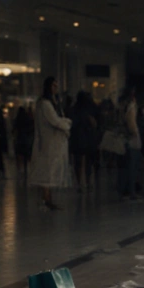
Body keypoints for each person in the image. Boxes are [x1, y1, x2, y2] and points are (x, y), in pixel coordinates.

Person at [29, 77, 72, 210]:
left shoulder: (53, 102)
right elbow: (54, 120)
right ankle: (46, 199)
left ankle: (48, 198)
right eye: (53, 86)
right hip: (48, 142)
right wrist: (67, 124)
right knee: (47, 170)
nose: (55, 88)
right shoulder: (45, 104)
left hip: (54, 142)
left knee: (51, 170)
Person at [70, 91, 100, 191]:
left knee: (78, 162)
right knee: (89, 161)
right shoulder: (91, 107)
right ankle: (87, 181)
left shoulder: (74, 109)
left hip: (77, 138)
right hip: (89, 137)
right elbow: (98, 120)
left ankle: (79, 183)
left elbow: (72, 123)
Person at [118, 86, 143, 201]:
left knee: (124, 167)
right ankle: (131, 192)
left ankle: (124, 191)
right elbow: (132, 124)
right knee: (133, 167)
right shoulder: (131, 106)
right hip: (132, 140)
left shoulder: (121, 105)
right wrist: (135, 132)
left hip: (122, 138)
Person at [14, 105, 35, 178]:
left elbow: (14, 128)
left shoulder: (17, 119)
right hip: (27, 137)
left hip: (20, 137)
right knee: (27, 152)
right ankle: (29, 167)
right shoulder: (28, 118)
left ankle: (21, 168)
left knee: (20, 153)